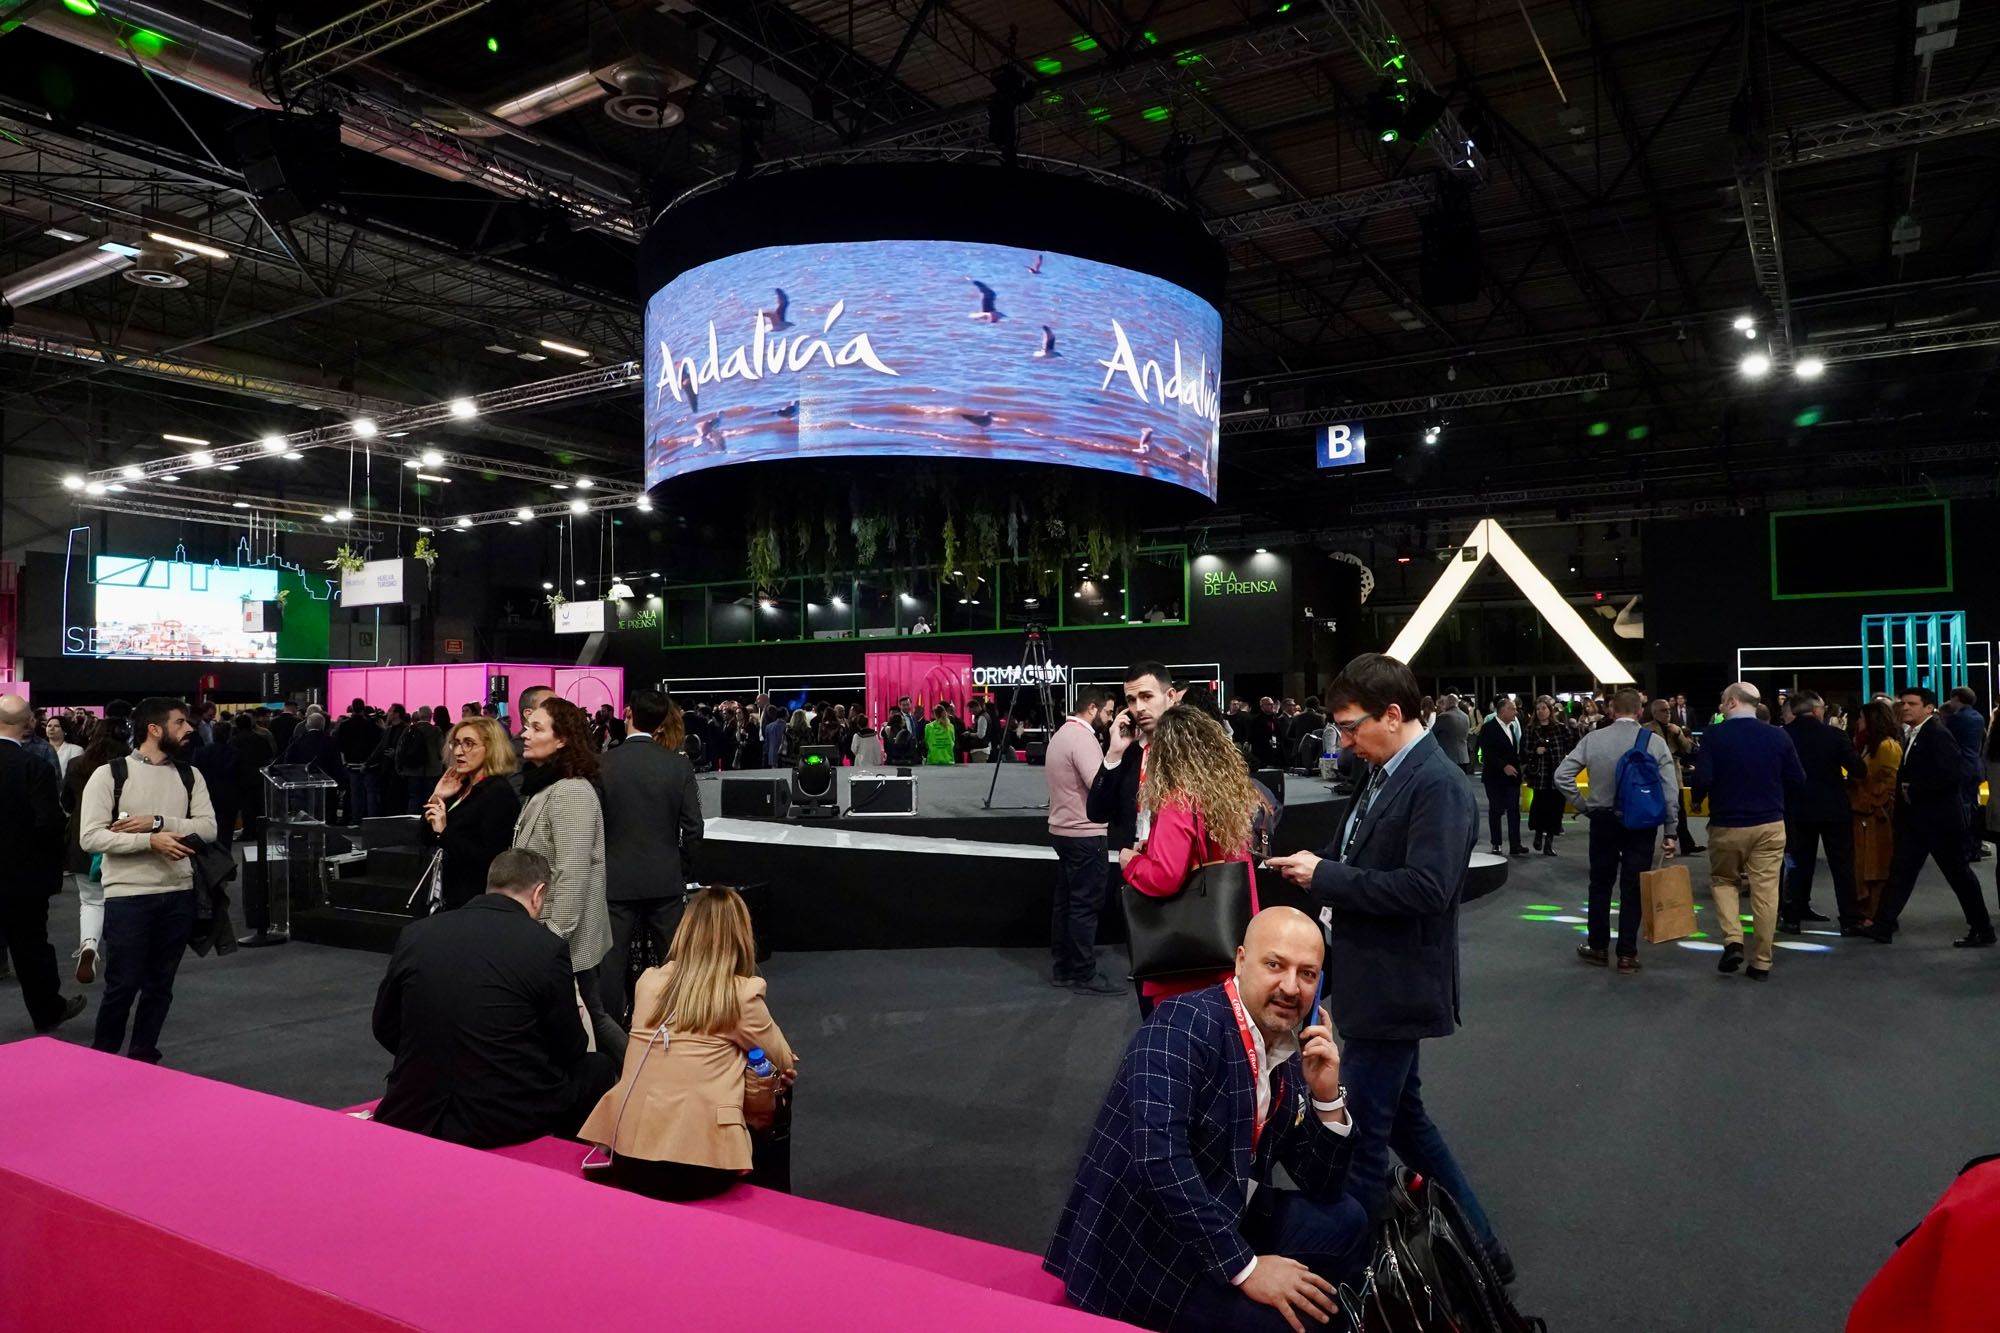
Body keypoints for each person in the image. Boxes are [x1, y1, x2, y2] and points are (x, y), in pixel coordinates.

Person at [1262, 652, 1511, 1283]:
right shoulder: (1390, 770)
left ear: (1393, 714)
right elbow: (1365, 857)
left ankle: (1362, 1280)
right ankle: (1483, 1252)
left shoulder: (1438, 784)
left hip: (1395, 987)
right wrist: (1317, 865)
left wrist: (1329, 876)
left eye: (1350, 727)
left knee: (1364, 1141)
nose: (1344, 742)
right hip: (1375, 982)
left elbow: (1428, 889)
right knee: (1407, 1122)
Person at [1044, 907, 1365, 1333]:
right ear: (1241, 961)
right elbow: (1159, 1161)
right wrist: (1246, 1267)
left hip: (1226, 1205)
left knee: (1348, 1220)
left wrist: (1327, 1096)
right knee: (1291, 1324)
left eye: (1308, 974)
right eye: (1275, 965)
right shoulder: (1182, 1024)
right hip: (1150, 1247)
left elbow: (1321, 1183)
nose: (1291, 987)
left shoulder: (1285, 1050)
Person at [371, 848, 618, 1148]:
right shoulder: (545, 948)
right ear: (539, 893)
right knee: (599, 1067)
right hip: (502, 1116)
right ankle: (563, 1159)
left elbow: (384, 1026)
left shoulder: (417, 934)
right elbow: (570, 1048)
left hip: (415, 1104)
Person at [580, 887, 795, 1202]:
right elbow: (785, 1061)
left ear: (685, 930)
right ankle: (772, 1195)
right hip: (700, 1170)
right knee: (768, 1073)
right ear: (741, 935)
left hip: (629, 1158)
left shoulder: (649, 983)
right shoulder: (742, 994)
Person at [78, 697, 216, 1062]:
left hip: (179, 893)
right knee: (122, 985)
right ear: (154, 729)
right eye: (180, 723)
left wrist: (158, 822)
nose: (189, 729)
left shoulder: (190, 775)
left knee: (161, 985)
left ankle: (143, 1055)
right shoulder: (109, 775)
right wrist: (149, 841)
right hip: (128, 896)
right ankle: (103, 1056)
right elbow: (90, 837)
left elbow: (208, 829)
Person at [1119, 706, 1263, 1013]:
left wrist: (1131, 862)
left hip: (1185, 967)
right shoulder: (1226, 797)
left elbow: (1164, 877)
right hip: (1226, 947)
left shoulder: (1177, 801)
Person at [513, 695, 619, 1051]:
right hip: (549, 936)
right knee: (587, 1019)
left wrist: (554, 936)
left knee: (593, 1019)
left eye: (536, 728)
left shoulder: (571, 791)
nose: (524, 733)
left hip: (564, 940)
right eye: (527, 725)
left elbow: (572, 873)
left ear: (562, 740)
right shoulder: (544, 785)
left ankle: (643, 1085)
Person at [598, 689, 704, 1024]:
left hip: (614, 882)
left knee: (610, 965)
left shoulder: (602, 764)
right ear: (661, 723)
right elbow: (694, 827)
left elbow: (593, 824)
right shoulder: (677, 765)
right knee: (674, 960)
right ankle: (680, 1027)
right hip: (665, 878)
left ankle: (611, 1041)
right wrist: (681, 866)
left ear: (627, 713)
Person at [1554, 688, 1679, 971]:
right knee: (1633, 886)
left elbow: (1561, 776)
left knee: (1600, 883)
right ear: (1639, 712)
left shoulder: (1593, 739)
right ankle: (1627, 954)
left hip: (1603, 819)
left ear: (1611, 711)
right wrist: (1670, 831)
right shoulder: (1655, 742)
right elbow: (1670, 791)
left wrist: (1583, 805)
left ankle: (1598, 947)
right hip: (1642, 822)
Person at [1862, 688, 1994, 947]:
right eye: (1903, 703)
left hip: (1940, 822)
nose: (1905, 707)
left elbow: (1951, 775)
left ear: (1928, 707)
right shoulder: (1915, 733)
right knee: (1902, 873)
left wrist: (1913, 789)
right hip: (1919, 821)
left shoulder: (1937, 733)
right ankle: (1883, 926)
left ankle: (1983, 928)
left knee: (1959, 876)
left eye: (1912, 703)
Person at [1691, 683, 1805, 980]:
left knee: (1724, 881)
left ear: (1730, 703)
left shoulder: (1714, 735)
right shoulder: (1779, 735)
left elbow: (1702, 778)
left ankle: (1733, 940)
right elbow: (1797, 779)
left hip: (1727, 823)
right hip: (1770, 823)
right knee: (1766, 890)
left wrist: (1697, 799)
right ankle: (1762, 961)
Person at [0, 694, 88, 1033]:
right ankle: (47, 1009)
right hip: (23, 878)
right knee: (31, 946)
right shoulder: (34, 766)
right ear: (28, 724)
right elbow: (48, 823)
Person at [1046, 686, 1118, 995]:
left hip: (1064, 831)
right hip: (1085, 833)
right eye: (1109, 711)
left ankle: (1064, 968)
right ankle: (1083, 973)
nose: (1111, 717)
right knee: (1084, 906)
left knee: (1066, 903)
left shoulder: (1062, 734)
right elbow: (1099, 786)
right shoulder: (1083, 739)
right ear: (1092, 708)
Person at [1779, 691, 1862, 934]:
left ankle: (1793, 916)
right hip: (1833, 808)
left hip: (1796, 809)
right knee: (1842, 866)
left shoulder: (1783, 736)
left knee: (1798, 864)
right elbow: (1858, 769)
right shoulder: (1835, 735)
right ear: (1817, 710)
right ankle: (1849, 920)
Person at [422, 717, 522, 911]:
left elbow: (490, 857)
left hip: (474, 900)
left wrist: (444, 833)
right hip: (447, 893)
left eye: (469, 744)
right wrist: (437, 796)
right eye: (456, 743)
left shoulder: (497, 792)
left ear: (491, 748)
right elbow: (426, 836)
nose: (459, 752)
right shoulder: (461, 787)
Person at [1087, 661, 1184, 853]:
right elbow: (1097, 813)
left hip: (1179, 866)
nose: (1139, 707)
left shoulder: (1194, 749)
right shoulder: (1129, 753)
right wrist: (1113, 754)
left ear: (1171, 696)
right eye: (1131, 700)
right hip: (1135, 863)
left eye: (1147, 696)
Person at [64, 719, 131, 984]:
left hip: (84, 838)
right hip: (124, 837)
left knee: (91, 900)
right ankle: (124, 952)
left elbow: (66, 801)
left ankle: (89, 944)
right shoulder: (132, 766)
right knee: (125, 899)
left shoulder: (76, 765)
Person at [1850, 699, 1902, 923]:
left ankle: (1877, 913)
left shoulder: (1886, 746)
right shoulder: (1873, 745)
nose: (1858, 722)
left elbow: (1890, 781)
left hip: (1877, 816)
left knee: (1877, 866)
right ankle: (1871, 911)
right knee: (1868, 865)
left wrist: (1869, 800)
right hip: (1867, 813)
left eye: (1861, 718)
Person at [1645, 698, 1701, 852]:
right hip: (1653, 777)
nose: (1668, 713)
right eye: (1664, 710)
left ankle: (1687, 844)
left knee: (1680, 811)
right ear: (1655, 712)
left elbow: (1688, 749)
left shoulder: (1675, 729)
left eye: (1669, 710)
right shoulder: (1646, 729)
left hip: (1674, 775)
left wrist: (1678, 735)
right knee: (1652, 812)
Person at [1477, 697, 1529, 856]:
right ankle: (1496, 844)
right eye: (1512, 709)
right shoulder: (1488, 728)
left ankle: (1515, 845)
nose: (1516, 712)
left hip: (1512, 777)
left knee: (1514, 810)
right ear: (1502, 711)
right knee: (1496, 810)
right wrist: (1503, 766)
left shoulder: (1512, 727)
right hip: (1494, 777)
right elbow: (1487, 752)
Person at [1943, 687, 1986, 861]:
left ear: (1957, 698)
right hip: (1976, 766)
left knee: (1963, 808)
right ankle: (1976, 845)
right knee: (1976, 806)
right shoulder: (1979, 717)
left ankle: (1965, 848)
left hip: (1960, 768)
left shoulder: (1955, 719)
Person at [1521, 698, 1569, 855]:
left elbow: (1571, 744)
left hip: (1556, 773)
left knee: (1555, 808)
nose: (1540, 711)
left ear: (1550, 710)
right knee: (1539, 806)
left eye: (1544, 708)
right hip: (1540, 774)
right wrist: (1535, 751)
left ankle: (1549, 842)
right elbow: (1524, 751)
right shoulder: (1530, 729)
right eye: (1538, 709)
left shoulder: (1560, 728)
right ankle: (1537, 834)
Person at [395, 704, 445, 815]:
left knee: (414, 798)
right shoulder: (435, 731)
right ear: (430, 716)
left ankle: (411, 824)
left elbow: (400, 749)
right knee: (430, 799)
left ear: (419, 715)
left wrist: (399, 767)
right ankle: (429, 824)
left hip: (412, 770)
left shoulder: (410, 729)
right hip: (432, 771)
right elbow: (442, 751)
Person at [1430, 692, 1471, 775]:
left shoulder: (1444, 716)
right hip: (1463, 756)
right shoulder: (1465, 716)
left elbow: (1432, 733)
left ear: (1447, 703)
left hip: (1449, 756)